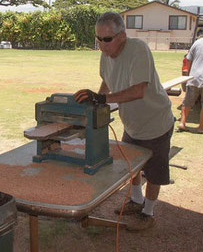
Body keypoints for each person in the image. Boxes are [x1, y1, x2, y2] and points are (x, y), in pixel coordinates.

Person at [74, 12, 175, 231]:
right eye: (98, 39)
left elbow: (139, 91)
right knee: (133, 166)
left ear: (122, 36)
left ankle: (148, 213)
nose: (102, 44)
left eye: (107, 39)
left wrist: (103, 98)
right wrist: (96, 104)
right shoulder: (105, 55)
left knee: (155, 171)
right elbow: (106, 81)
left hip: (155, 121)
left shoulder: (138, 50)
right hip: (132, 124)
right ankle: (136, 200)